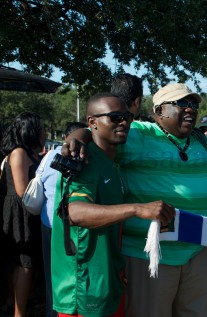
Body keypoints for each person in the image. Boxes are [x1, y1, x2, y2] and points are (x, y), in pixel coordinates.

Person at [51, 93, 174, 317]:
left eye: (127, 116)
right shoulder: (83, 160)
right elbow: (75, 212)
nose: (124, 122)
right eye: (115, 117)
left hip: (108, 281)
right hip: (85, 287)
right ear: (92, 122)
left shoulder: (110, 160)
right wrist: (138, 209)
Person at [38, 122, 87, 317]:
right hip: (70, 227)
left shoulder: (50, 155)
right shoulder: (85, 157)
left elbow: (38, 180)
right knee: (69, 277)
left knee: (53, 276)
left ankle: (53, 311)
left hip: (48, 223)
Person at [1, 112, 45, 317]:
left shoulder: (29, 152)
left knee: (24, 262)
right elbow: (22, 190)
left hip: (28, 212)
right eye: (40, 127)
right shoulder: (19, 152)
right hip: (20, 212)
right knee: (24, 263)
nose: (44, 131)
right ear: (30, 130)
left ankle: (15, 303)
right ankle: (19, 312)